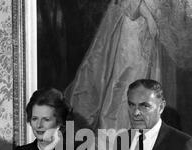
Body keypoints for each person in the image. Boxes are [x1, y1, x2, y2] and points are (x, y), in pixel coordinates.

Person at [65, 0, 180, 132]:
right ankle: (116, 130)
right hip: (133, 23)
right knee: (124, 78)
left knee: (143, 78)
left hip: (148, 26)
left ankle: (137, 130)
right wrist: (148, 17)